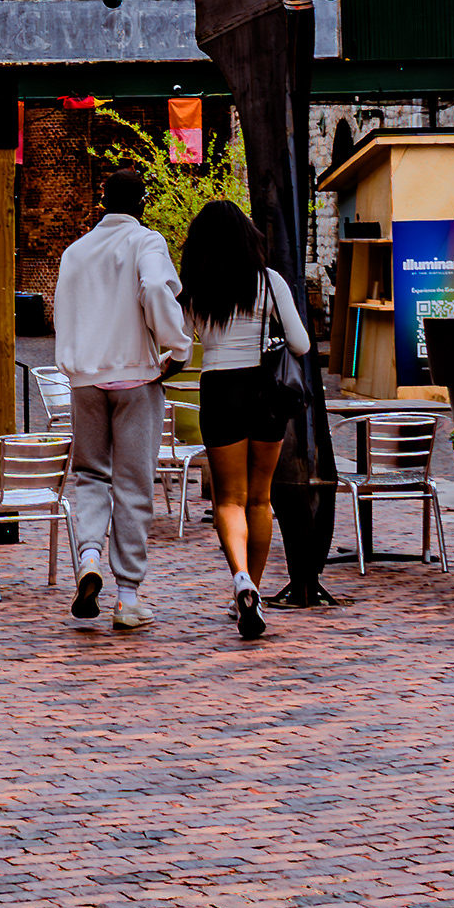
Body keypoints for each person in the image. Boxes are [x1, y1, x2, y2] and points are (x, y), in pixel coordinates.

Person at [49, 166, 191, 632]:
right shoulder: (146, 242)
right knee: (133, 485)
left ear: (101, 201)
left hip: (86, 378)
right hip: (135, 377)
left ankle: (88, 556)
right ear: (143, 202)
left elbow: (63, 311)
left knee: (90, 475)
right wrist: (177, 345)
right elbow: (153, 287)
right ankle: (127, 596)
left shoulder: (75, 252)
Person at [181, 199, 311, 641]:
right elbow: (301, 344)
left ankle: (241, 581)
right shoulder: (271, 283)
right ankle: (251, 589)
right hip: (265, 391)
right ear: (248, 237)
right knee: (260, 499)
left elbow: (180, 347)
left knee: (228, 500)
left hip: (220, 390)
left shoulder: (195, 286)